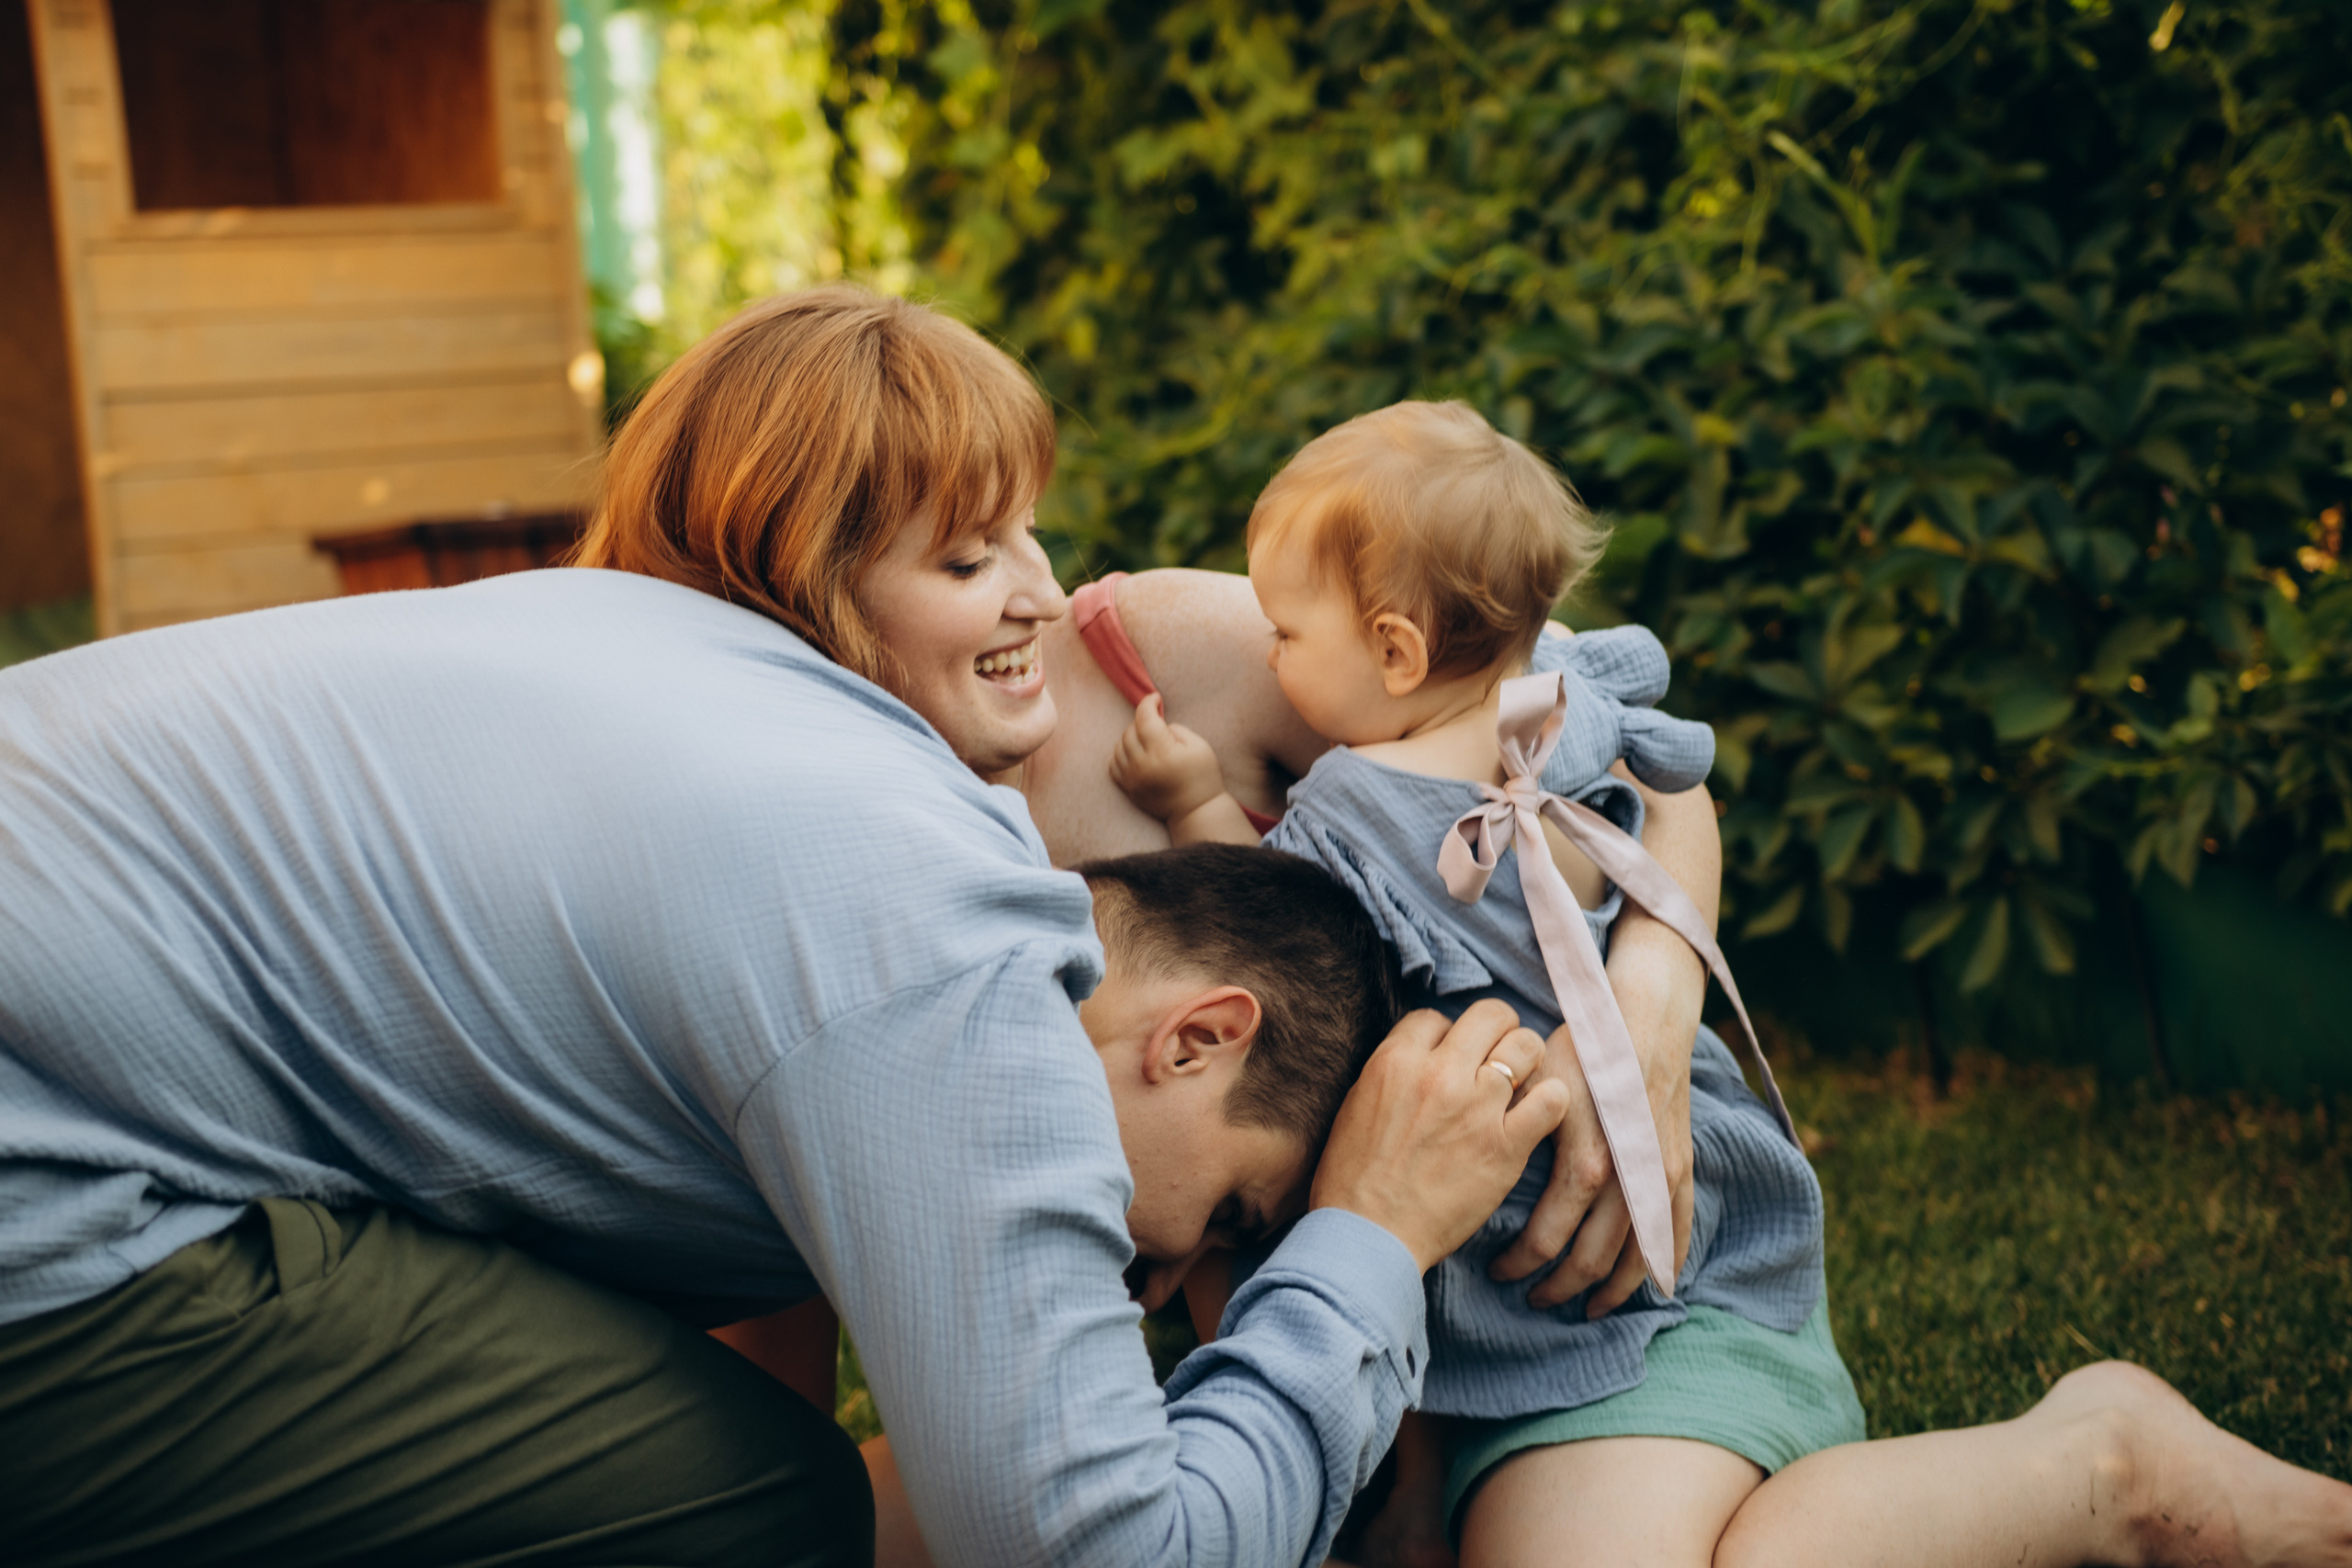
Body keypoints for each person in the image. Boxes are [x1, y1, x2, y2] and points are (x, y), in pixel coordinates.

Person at [0, 288, 1570, 1568]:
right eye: (1228, 1220)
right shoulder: (905, 904)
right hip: (49, 1188)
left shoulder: (643, 654)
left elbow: (1535, 660)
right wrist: (1367, 1240)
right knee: (766, 1512)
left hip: (84, 1069)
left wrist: (1645, 969)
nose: (1171, 1285)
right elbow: (1101, 1555)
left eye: (1028, 537)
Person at [1107, 399, 2352, 1568]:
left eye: (1284, 633)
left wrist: (1186, 800)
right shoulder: (1563, 714)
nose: (1268, 660)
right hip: (1647, 1276)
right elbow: (1674, 779)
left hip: (1617, 1321)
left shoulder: (1357, 811)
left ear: (1392, 647)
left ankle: (2097, 1464)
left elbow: (1284, 918)